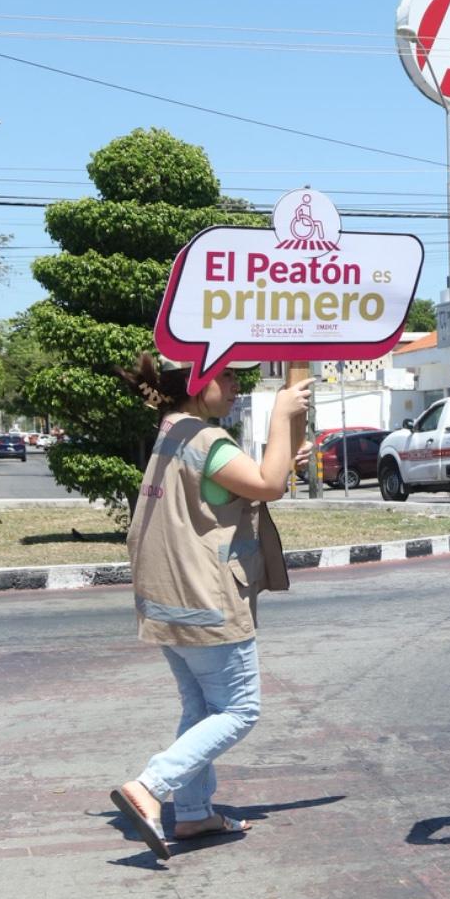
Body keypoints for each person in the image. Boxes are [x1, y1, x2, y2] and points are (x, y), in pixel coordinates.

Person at [107, 356, 309, 862]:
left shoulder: (172, 431)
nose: (237, 385)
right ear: (198, 384)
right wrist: (281, 414)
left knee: (200, 710)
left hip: (168, 600)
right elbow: (269, 486)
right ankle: (150, 786)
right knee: (241, 710)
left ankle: (193, 813)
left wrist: (281, 453)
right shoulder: (206, 439)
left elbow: (246, 483)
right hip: (207, 599)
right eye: (228, 376)